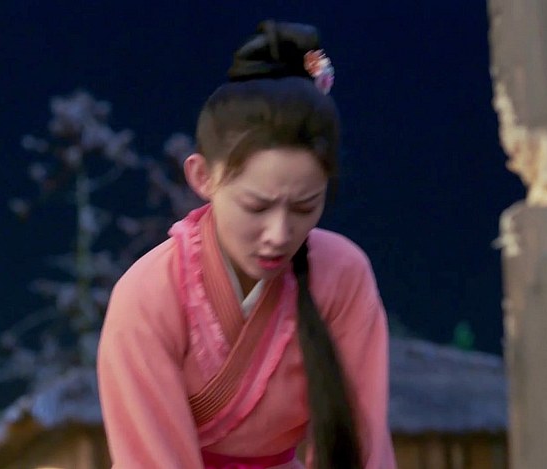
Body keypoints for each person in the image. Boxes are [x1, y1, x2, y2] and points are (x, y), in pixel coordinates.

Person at [97, 20, 396, 469]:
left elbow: (363, 446)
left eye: (305, 207)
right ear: (202, 176)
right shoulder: (147, 295)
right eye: (257, 206)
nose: (280, 234)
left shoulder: (343, 273)